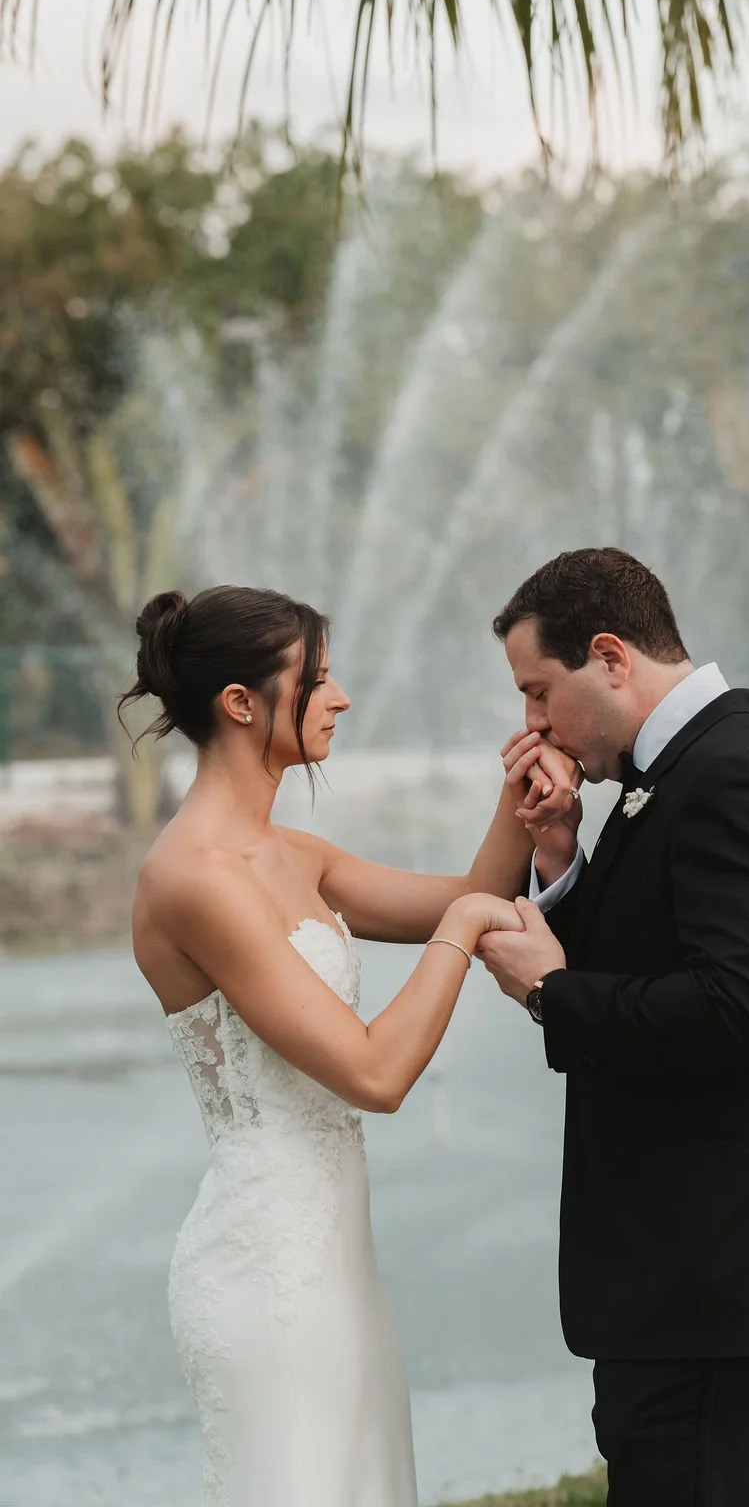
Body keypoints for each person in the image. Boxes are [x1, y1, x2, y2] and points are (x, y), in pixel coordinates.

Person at [123, 584, 574, 1507]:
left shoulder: (294, 853)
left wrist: (520, 795)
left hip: (338, 1270)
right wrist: (466, 925)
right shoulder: (194, 879)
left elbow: (471, 889)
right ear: (241, 704)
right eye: (317, 679)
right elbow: (374, 1071)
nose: (341, 697)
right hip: (266, 1275)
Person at [480, 547, 749, 1507]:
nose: (531, 724)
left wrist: (553, 993)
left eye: (540, 692)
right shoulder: (676, 775)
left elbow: (744, 1010)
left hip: (722, 1290)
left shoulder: (738, 773)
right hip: (692, 1289)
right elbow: (659, 961)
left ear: (611, 656)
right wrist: (560, 859)